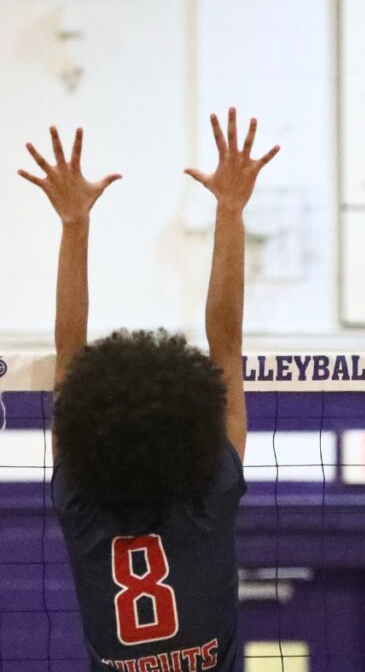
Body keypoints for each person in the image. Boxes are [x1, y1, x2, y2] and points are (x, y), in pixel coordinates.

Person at [18, 110, 278, 671]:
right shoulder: (206, 499)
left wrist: (74, 225)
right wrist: (231, 211)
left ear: (89, 428)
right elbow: (226, 341)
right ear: (192, 424)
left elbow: (69, 355)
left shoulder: (84, 509)